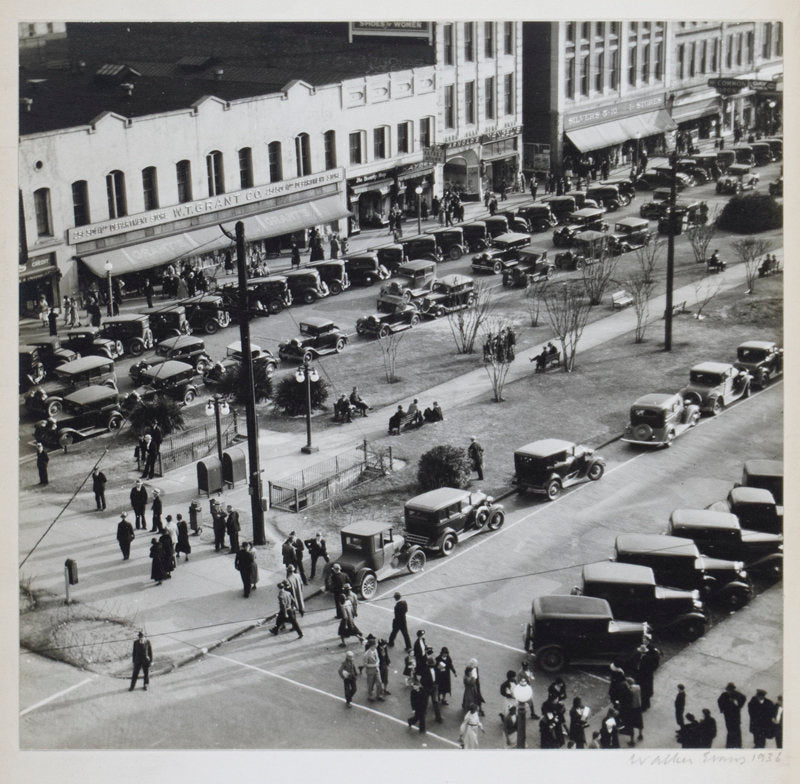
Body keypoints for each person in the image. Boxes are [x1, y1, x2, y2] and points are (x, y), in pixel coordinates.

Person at [718, 682, 746, 748]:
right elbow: (719, 701)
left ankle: (737, 745)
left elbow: (743, 698)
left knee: (736, 729)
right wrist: (723, 708)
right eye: (729, 689)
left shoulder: (737, 694)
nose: (730, 690)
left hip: (735, 715)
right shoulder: (724, 695)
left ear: (733, 689)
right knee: (730, 729)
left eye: (731, 689)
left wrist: (738, 704)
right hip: (728, 715)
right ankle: (730, 744)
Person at [419, 655, 442, 723]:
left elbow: (422, 681)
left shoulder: (425, 670)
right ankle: (438, 717)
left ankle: (422, 716)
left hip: (427, 688)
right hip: (433, 687)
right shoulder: (436, 669)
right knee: (435, 702)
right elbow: (439, 677)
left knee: (425, 703)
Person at [362, 637, 384, 701]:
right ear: (372, 646)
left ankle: (379, 695)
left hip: (377, 670)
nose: (377, 645)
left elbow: (377, 658)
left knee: (379, 682)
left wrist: (377, 662)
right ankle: (370, 696)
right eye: (375, 644)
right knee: (370, 684)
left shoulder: (375, 650)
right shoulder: (366, 654)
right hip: (370, 671)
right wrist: (374, 665)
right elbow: (365, 664)